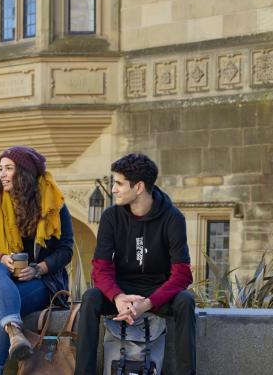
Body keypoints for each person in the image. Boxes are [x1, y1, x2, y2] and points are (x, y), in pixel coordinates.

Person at [75, 153, 196, 375]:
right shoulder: (111, 217)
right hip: (122, 290)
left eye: (119, 184)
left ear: (139, 187)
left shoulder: (173, 218)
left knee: (186, 301)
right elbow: (100, 268)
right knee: (90, 298)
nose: (113, 189)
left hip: (157, 292)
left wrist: (147, 304)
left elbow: (182, 275)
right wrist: (117, 297)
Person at [0, 145, 75, 375]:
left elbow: (66, 249)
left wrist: (38, 269)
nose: (2, 174)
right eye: (1, 169)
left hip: (37, 282)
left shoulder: (54, 205)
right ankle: (15, 333)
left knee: (3, 307)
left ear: (25, 174)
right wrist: (1, 257)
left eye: (9, 168)